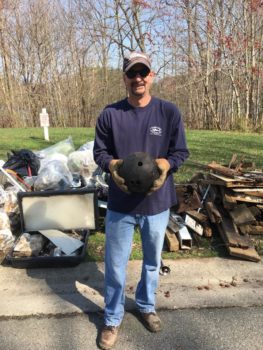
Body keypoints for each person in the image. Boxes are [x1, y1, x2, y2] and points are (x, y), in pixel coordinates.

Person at [93, 51, 189, 350]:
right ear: (124, 77)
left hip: (156, 203)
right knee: (115, 264)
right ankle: (112, 317)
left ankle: (146, 306)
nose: (138, 79)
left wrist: (164, 165)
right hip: (121, 204)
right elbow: (100, 153)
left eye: (143, 73)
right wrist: (112, 167)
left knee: (151, 262)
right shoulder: (110, 114)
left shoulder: (168, 112)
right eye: (132, 73)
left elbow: (180, 152)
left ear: (151, 75)